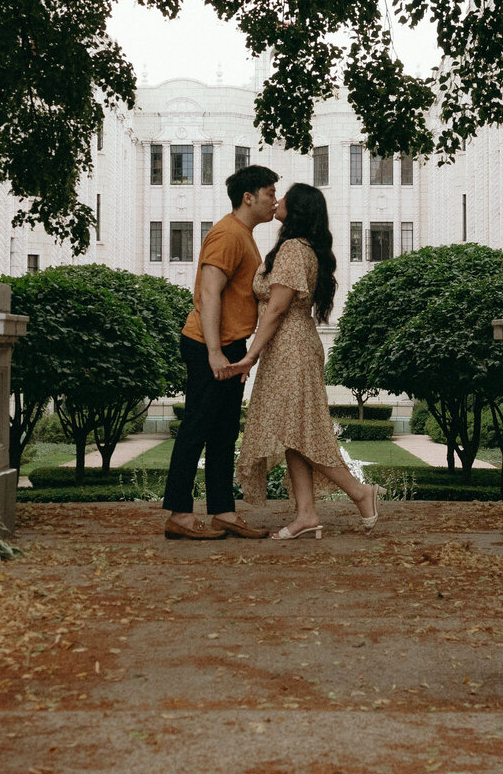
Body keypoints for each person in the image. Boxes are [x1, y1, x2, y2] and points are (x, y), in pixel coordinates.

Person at [229, 183, 381, 539]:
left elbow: (278, 307)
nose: (277, 200)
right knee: (293, 432)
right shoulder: (301, 248)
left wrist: (250, 355)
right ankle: (307, 514)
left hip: (290, 347)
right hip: (290, 346)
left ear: (295, 210)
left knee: (304, 433)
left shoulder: (294, 249)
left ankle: (361, 493)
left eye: (284, 198)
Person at [162, 163, 280, 540]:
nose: (274, 200)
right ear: (249, 197)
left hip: (229, 344)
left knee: (224, 432)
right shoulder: (227, 234)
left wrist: (233, 349)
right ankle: (179, 515)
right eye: (269, 193)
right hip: (207, 345)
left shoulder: (243, 234)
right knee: (197, 428)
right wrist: (215, 351)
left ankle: (223, 512)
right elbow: (209, 292)